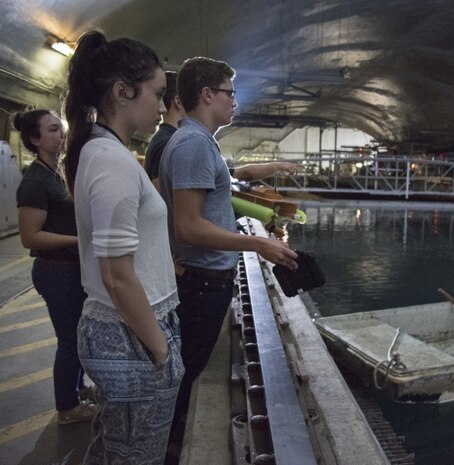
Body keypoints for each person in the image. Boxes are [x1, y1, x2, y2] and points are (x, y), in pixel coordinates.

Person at [158, 56, 298, 463]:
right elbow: (188, 226)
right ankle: (167, 450)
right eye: (229, 93)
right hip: (200, 284)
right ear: (206, 95)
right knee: (182, 376)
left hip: (205, 280)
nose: (234, 102)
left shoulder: (197, 142)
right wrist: (259, 246)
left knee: (187, 372)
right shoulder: (193, 144)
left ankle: (168, 442)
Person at [63, 30, 184, 464]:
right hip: (131, 333)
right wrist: (161, 349)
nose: (162, 106)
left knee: (115, 449)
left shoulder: (103, 151)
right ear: (122, 91)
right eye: (157, 94)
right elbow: (117, 274)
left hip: (126, 329)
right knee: (136, 457)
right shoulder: (112, 161)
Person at [14, 109, 97, 425]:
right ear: (35, 139)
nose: (61, 135)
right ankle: (67, 407)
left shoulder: (55, 171)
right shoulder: (35, 181)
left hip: (68, 269)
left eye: (60, 129)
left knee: (77, 336)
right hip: (55, 272)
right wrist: (78, 240)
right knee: (69, 341)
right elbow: (29, 236)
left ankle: (76, 390)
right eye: (52, 130)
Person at [143, 71, 186, 191]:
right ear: (178, 102)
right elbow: (162, 194)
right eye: (189, 97)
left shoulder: (166, 137)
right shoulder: (167, 142)